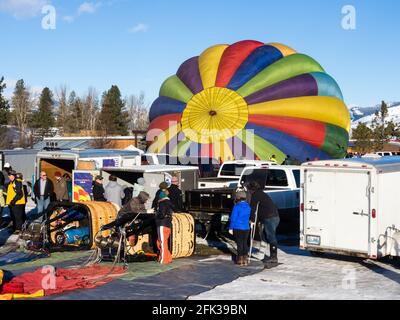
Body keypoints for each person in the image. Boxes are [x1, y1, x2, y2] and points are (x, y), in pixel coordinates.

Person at [247, 181, 280, 267]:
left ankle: (273, 257)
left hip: (270, 217)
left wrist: (252, 219)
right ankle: (261, 253)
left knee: (270, 236)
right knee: (265, 236)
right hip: (273, 216)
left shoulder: (255, 195)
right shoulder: (261, 193)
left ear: (251, 189)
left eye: (248, 189)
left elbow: (253, 208)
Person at [228, 191, 251, 266]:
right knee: (245, 243)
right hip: (246, 227)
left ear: (238, 198)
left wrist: (231, 227)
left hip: (237, 227)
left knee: (239, 243)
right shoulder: (248, 206)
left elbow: (233, 218)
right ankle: (245, 259)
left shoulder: (236, 206)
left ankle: (240, 259)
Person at [155, 190, 174, 264]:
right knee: (162, 242)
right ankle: (168, 258)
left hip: (162, 224)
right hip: (167, 224)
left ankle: (163, 260)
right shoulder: (169, 203)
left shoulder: (162, 203)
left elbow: (162, 214)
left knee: (162, 242)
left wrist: (156, 215)